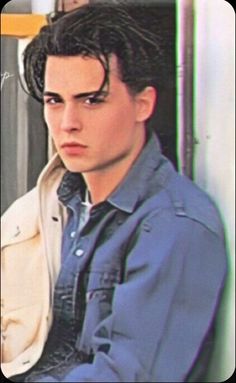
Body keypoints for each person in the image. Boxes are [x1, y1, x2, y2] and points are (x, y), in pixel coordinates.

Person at [1, 3, 227, 382]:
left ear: (143, 104)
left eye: (92, 100)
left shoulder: (174, 227)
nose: (68, 123)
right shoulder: (54, 203)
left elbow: (123, 376)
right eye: (56, 101)